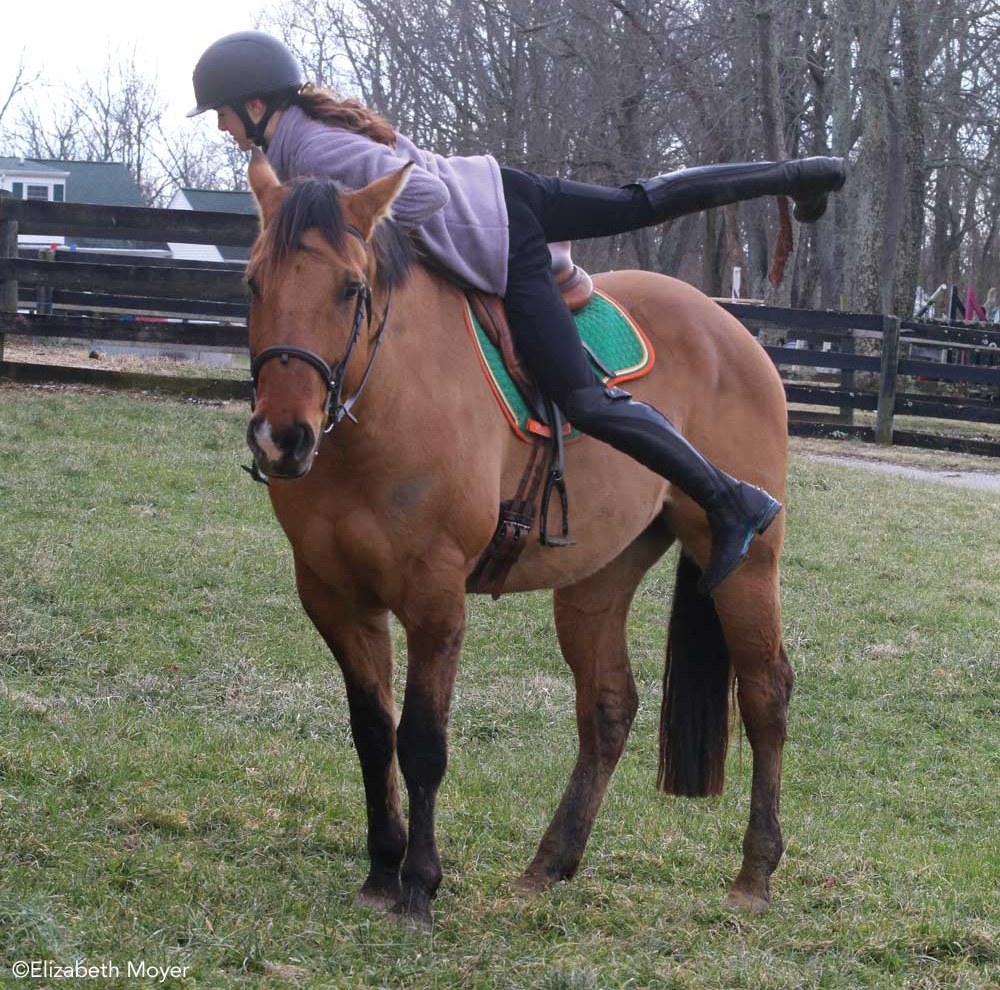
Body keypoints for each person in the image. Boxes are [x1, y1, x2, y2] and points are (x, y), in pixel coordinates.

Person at [189, 31, 847, 594]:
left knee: (585, 400)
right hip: (503, 189)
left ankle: (731, 500)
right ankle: (799, 176)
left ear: (254, 105)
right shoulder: (286, 148)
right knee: (638, 201)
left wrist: (367, 233)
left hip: (508, 239)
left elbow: (422, 195)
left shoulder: (309, 150)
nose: (221, 128)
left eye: (221, 113)